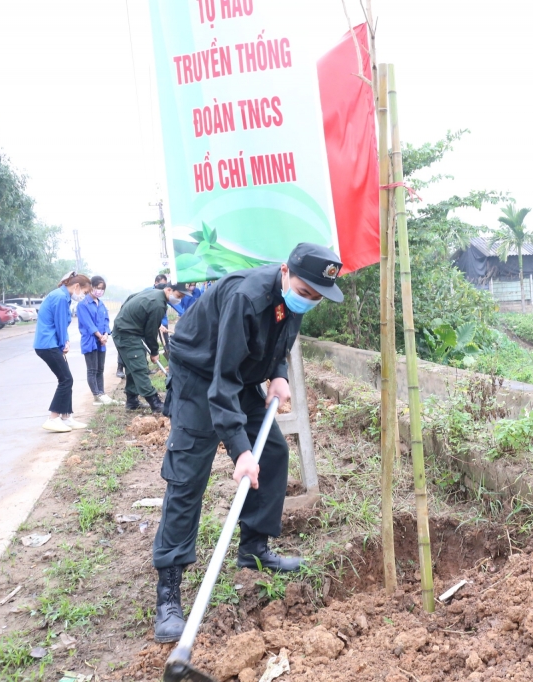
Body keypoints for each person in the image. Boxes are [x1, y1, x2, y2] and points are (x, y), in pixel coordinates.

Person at [151, 243, 342, 643]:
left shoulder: (293, 298)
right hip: (200, 373)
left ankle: (254, 549)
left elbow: (280, 338)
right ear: (286, 272)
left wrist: (277, 373)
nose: (308, 301)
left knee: (272, 451)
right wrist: (239, 451)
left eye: (316, 298)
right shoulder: (246, 297)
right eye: (305, 292)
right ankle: (168, 591)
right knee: (188, 474)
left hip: (237, 373)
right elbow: (221, 385)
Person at [113, 281, 188, 413]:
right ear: (169, 290)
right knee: (140, 368)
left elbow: (131, 298)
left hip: (128, 330)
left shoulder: (154, 293)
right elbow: (151, 332)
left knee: (133, 366)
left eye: (182, 297)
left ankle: (132, 401)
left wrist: (130, 317)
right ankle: (155, 402)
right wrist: (154, 352)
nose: (179, 299)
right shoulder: (158, 304)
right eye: (179, 295)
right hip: (126, 334)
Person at [34, 272, 92, 433]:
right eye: (85, 292)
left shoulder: (61, 296)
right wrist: (62, 344)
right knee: (66, 379)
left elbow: (62, 325)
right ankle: (53, 418)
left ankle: (66, 418)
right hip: (48, 344)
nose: (84, 296)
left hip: (50, 343)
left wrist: (63, 343)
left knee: (66, 379)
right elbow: (60, 324)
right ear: (76, 286)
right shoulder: (60, 298)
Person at [78, 276, 113, 405]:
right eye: (97, 288)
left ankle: (102, 393)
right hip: (90, 341)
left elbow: (106, 321)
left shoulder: (102, 303)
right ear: (91, 287)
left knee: (100, 369)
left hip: (101, 341)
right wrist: (100, 336)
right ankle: (96, 395)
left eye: (102, 289)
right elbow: (88, 324)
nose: (99, 291)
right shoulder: (83, 305)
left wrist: (105, 335)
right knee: (92, 369)